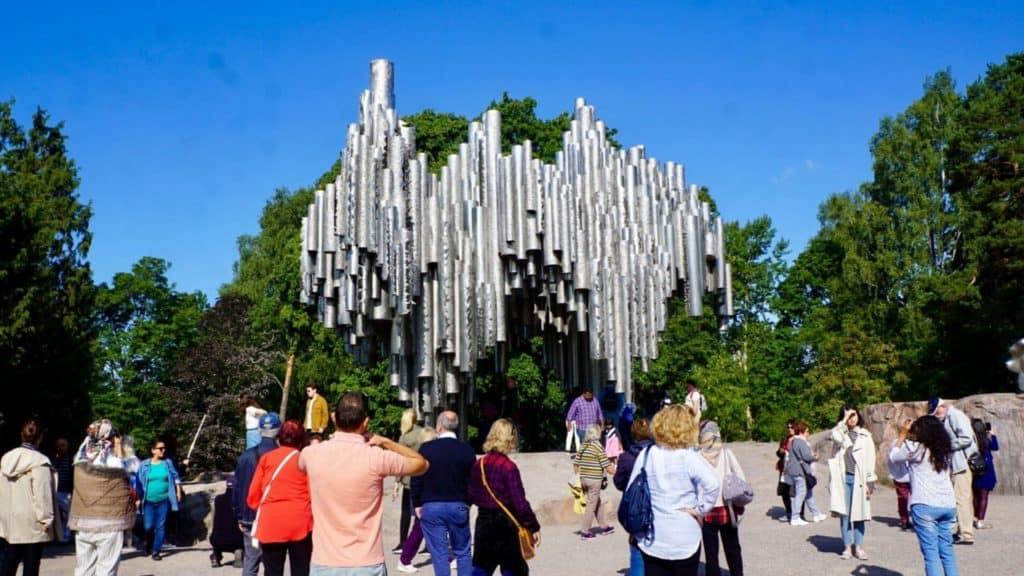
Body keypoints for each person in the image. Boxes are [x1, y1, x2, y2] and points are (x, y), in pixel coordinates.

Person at [299, 391, 427, 575]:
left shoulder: (311, 455)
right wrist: (385, 441)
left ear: (334, 418)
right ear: (365, 423)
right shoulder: (377, 457)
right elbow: (422, 464)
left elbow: (301, 465)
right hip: (367, 562)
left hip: (325, 562)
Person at [628, 404, 720, 576]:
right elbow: (713, 485)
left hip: (653, 534)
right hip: (684, 536)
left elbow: (631, 490)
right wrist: (700, 509)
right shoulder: (690, 457)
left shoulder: (647, 454)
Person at [468, 418, 541, 576]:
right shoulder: (508, 467)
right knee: (513, 568)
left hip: (484, 522)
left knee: (481, 568)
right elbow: (519, 502)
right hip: (506, 524)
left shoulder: (479, 464)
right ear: (510, 438)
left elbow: (471, 495)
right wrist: (533, 526)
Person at [889, 416, 959, 576]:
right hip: (948, 504)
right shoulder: (946, 452)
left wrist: (903, 434)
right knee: (947, 552)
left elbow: (893, 456)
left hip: (925, 504)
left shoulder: (916, 449)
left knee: (931, 554)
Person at [411, 411, 476, 576]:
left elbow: (416, 476)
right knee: (463, 552)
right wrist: (468, 502)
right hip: (458, 504)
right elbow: (473, 481)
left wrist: (417, 503)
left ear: (438, 426)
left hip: (431, 505)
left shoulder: (426, 449)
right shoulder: (467, 450)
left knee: (439, 555)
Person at [69, 419, 135, 576]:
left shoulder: (79, 460)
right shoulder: (113, 461)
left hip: (83, 522)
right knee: (106, 569)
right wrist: (119, 447)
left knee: (83, 569)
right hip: (109, 523)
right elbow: (129, 474)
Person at [246, 419, 312, 576]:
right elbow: (312, 492)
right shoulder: (304, 459)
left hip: (272, 521)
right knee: (301, 569)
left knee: (272, 570)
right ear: (302, 439)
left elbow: (253, 496)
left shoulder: (267, 459)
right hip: (300, 521)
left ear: (279, 437)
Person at [0, 419, 60, 576]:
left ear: (21, 434)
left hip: (9, 519)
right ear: (40, 437)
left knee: (8, 563)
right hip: (32, 521)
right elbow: (42, 494)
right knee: (31, 566)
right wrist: (46, 519)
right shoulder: (40, 461)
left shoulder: (6, 458)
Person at [234, 412, 283, 576]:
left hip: (250, 516)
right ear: (279, 430)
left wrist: (239, 515)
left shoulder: (246, 457)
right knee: (274, 564)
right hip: (275, 517)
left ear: (260, 430)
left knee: (251, 560)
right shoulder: (285, 456)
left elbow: (238, 489)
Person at [927, 397, 977, 544]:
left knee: (961, 499)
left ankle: (966, 534)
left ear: (943, 406)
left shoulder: (955, 416)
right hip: (957, 463)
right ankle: (962, 530)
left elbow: (966, 438)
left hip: (962, 463)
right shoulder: (948, 418)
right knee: (964, 498)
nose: (937, 415)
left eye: (937, 412)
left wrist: (946, 445)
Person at [829, 406, 877, 560]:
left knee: (859, 515)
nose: (852, 418)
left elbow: (871, 459)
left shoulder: (865, 436)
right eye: (848, 416)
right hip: (844, 480)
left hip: (860, 480)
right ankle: (847, 547)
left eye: (854, 414)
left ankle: (859, 547)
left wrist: (871, 482)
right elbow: (835, 435)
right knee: (845, 515)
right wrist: (843, 420)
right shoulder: (841, 434)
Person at [699, 421, 745, 576]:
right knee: (733, 546)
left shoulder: (698, 456)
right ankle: (737, 573)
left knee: (711, 552)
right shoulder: (726, 453)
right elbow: (740, 477)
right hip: (728, 507)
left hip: (706, 509)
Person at [396, 428, 441, 574]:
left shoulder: (423, 454)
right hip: (426, 499)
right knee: (419, 530)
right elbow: (416, 481)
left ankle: (405, 559)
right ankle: (404, 560)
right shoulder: (424, 456)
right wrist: (417, 503)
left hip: (427, 498)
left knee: (432, 529)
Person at [613, 418, 653, 576]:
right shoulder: (660, 454)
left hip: (635, 507)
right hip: (657, 505)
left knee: (636, 543)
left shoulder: (626, 457)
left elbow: (618, 482)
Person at [134, 437, 183, 561]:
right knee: (148, 526)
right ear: (153, 450)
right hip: (148, 501)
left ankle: (156, 551)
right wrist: (138, 498)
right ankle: (148, 544)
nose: (163, 450)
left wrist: (178, 492)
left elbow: (176, 477)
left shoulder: (168, 463)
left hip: (164, 499)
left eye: (164, 448)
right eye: (160, 448)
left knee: (160, 526)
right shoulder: (144, 464)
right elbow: (138, 482)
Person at [573, 424, 615, 540]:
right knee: (591, 505)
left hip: (584, 479)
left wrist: (577, 476)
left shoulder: (583, 445)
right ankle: (585, 531)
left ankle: (604, 526)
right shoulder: (598, 447)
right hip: (594, 480)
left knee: (596, 502)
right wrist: (617, 472)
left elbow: (576, 462)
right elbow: (606, 465)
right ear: (596, 434)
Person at [392, 408, 424, 553]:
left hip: (409, 478)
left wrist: (396, 482)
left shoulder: (405, 437)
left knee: (406, 512)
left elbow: (400, 460)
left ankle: (403, 542)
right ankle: (427, 545)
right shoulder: (425, 433)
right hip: (424, 476)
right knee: (422, 512)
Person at [784, 420, 827, 526]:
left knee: (808, 494)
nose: (808, 433)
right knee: (801, 494)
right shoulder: (800, 441)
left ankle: (816, 514)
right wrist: (815, 457)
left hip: (796, 470)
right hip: (800, 471)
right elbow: (806, 456)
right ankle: (795, 517)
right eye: (807, 431)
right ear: (802, 431)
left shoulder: (794, 441)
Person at [209, 475, 244, 568]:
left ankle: (216, 556)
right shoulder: (241, 500)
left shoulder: (218, 499)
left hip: (217, 539)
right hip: (237, 540)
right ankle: (239, 551)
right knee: (242, 535)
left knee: (219, 534)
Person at [970, 419, 998, 530]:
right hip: (986, 469)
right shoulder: (986, 440)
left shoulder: (972, 439)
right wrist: (992, 435)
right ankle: (980, 521)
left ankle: (976, 517)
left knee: (975, 495)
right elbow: (995, 447)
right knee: (983, 496)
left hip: (974, 469)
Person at [887, 418, 913, 530]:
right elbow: (893, 456)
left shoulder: (914, 443)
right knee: (903, 499)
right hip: (901, 476)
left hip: (912, 476)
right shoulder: (897, 442)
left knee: (915, 499)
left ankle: (914, 518)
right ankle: (904, 519)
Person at [775, 420, 799, 523]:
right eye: (788, 427)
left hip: (796, 470)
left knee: (796, 492)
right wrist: (780, 452)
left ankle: (798, 514)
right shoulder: (785, 439)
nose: (790, 429)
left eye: (792, 427)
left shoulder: (799, 439)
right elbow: (779, 453)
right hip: (785, 469)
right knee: (784, 491)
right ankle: (789, 512)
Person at [52, 436, 74, 543]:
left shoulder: (71, 459)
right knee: (55, 515)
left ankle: (67, 535)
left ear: (67, 446)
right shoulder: (52, 459)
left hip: (66, 492)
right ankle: (56, 536)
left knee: (67, 515)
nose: (61, 447)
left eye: (63, 445)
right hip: (54, 491)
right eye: (59, 445)